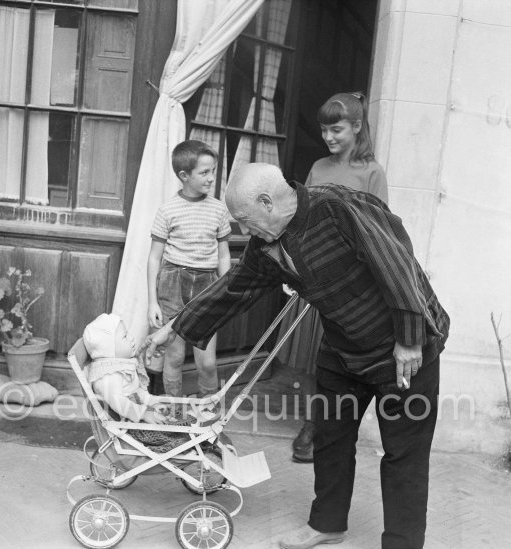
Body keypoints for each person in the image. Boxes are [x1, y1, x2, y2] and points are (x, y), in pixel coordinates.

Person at [143, 163, 450, 549]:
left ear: (267, 201)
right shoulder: (267, 243)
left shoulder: (338, 208)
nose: (241, 230)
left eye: (243, 219)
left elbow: (397, 262)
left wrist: (409, 337)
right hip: (343, 350)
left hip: (403, 350)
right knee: (330, 439)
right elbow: (234, 288)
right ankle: (327, 524)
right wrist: (175, 327)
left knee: (404, 453)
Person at [289, 91, 389, 463]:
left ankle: (327, 426)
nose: (329, 137)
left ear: (357, 127)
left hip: (351, 282)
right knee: (315, 355)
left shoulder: (372, 172)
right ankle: (311, 423)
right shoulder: (318, 167)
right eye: (324, 130)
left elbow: (382, 229)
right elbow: (304, 219)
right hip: (316, 272)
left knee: (341, 354)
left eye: (336, 129)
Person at [147, 139, 232, 399]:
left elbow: (224, 254)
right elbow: (154, 258)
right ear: (184, 175)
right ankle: (174, 415)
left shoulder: (218, 209)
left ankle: (209, 415)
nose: (210, 178)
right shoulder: (168, 210)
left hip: (207, 284)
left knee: (206, 361)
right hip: (173, 282)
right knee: (173, 358)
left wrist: (226, 288)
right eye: (204, 172)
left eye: (213, 171)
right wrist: (153, 302)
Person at [83, 313, 167, 424]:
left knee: (169, 420)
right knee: (171, 433)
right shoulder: (108, 375)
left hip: (138, 415)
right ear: (108, 349)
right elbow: (118, 402)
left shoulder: (121, 366)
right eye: (125, 336)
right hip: (126, 423)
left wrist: (151, 402)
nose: (131, 338)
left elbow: (136, 392)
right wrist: (144, 413)